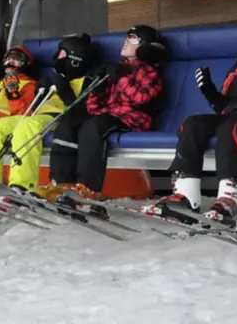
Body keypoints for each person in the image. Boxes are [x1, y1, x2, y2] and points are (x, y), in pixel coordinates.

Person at [143, 6, 237, 225]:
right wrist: (209, 91)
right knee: (193, 124)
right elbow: (223, 107)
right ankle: (185, 195)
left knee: (231, 128)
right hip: (232, 115)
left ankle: (229, 199)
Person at [47, 24, 165, 198]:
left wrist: (121, 78)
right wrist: (98, 88)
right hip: (111, 115)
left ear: (145, 46)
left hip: (133, 118)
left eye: (132, 38)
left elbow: (139, 98)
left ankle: (88, 187)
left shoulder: (150, 73)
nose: (125, 42)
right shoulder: (118, 67)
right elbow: (95, 108)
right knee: (71, 122)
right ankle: (60, 182)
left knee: (93, 127)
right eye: (127, 37)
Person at [0, 33, 95, 190]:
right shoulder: (52, 79)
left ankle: (22, 185)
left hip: (58, 118)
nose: (57, 57)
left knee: (27, 126)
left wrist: (65, 90)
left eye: (61, 54)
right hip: (37, 115)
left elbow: (83, 111)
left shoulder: (85, 81)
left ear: (74, 57)